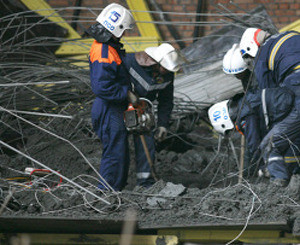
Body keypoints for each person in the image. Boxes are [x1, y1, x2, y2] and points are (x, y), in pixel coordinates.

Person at [221, 41, 300, 185]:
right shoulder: (248, 79)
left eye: (240, 73)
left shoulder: (261, 74)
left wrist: (261, 163)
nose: (238, 77)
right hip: (281, 108)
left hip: (283, 109)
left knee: (272, 144)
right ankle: (286, 174)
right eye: (236, 75)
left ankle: (284, 178)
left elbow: (255, 130)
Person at [87, 3, 136, 191]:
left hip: (112, 107)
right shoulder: (104, 51)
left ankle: (115, 191)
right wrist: (127, 94)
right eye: (124, 30)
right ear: (118, 28)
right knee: (114, 152)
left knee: (119, 150)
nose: (124, 34)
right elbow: (102, 87)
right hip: (108, 108)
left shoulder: (107, 47)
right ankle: (106, 193)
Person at [123, 43, 181, 187]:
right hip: (120, 108)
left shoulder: (167, 75)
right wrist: (126, 93)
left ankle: (146, 183)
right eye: (165, 68)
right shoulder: (130, 62)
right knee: (119, 146)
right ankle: (117, 183)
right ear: (156, 62)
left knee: (147, 145)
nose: (167, 72)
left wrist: (162, 125)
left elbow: (166, 101)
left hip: (142, 110)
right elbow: (113, 78)